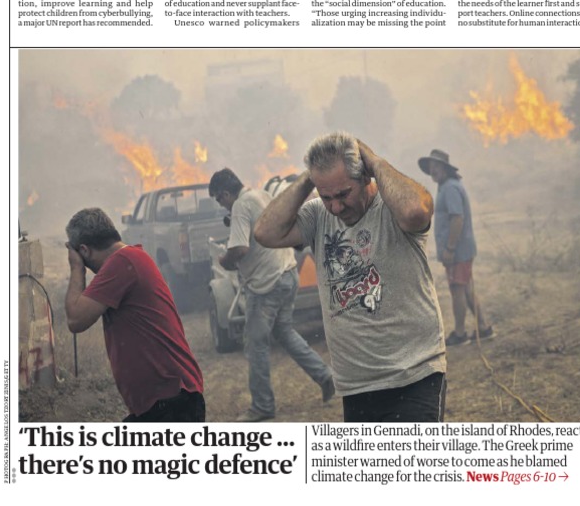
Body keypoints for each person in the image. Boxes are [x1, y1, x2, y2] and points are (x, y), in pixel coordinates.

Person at [254, 133, 447, 422]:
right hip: (356, 386)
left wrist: (375, 161)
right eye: (326, 196)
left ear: (365, 177)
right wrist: (310, 179)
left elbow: (415, 212)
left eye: (343, 194)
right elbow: (265, 233)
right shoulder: (318, 215)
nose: (336, 207)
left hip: (415, 375)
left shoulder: (392, 206)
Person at [208, 168, 334, 421]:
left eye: (219, 200)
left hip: (266, 284)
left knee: (256, 345)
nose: (222, 206)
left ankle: (262, 406)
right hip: (287, 274)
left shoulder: (241, 206)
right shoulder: (261, 195)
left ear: (225, 193)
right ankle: (325, 376)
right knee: (285, 332)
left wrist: (225, 260)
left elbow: (240, 248)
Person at [64, 207, 205, 421]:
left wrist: (76, 269)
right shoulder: (128, 259)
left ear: (84, 250)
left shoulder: (122, 263)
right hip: (166, 401)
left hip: (171, 401)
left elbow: (75, 319)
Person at [418, 148, 493, 346]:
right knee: (466, 289)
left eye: (437, 166)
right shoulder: (446, 186)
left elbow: (457, 219)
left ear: (446, 168)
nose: (433, 170)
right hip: (461, 250)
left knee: (457, 290)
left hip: (458, 252)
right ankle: (484, 328)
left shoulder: (450, 188)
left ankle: (460, 334)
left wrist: (450, 248)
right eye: (431, 167)